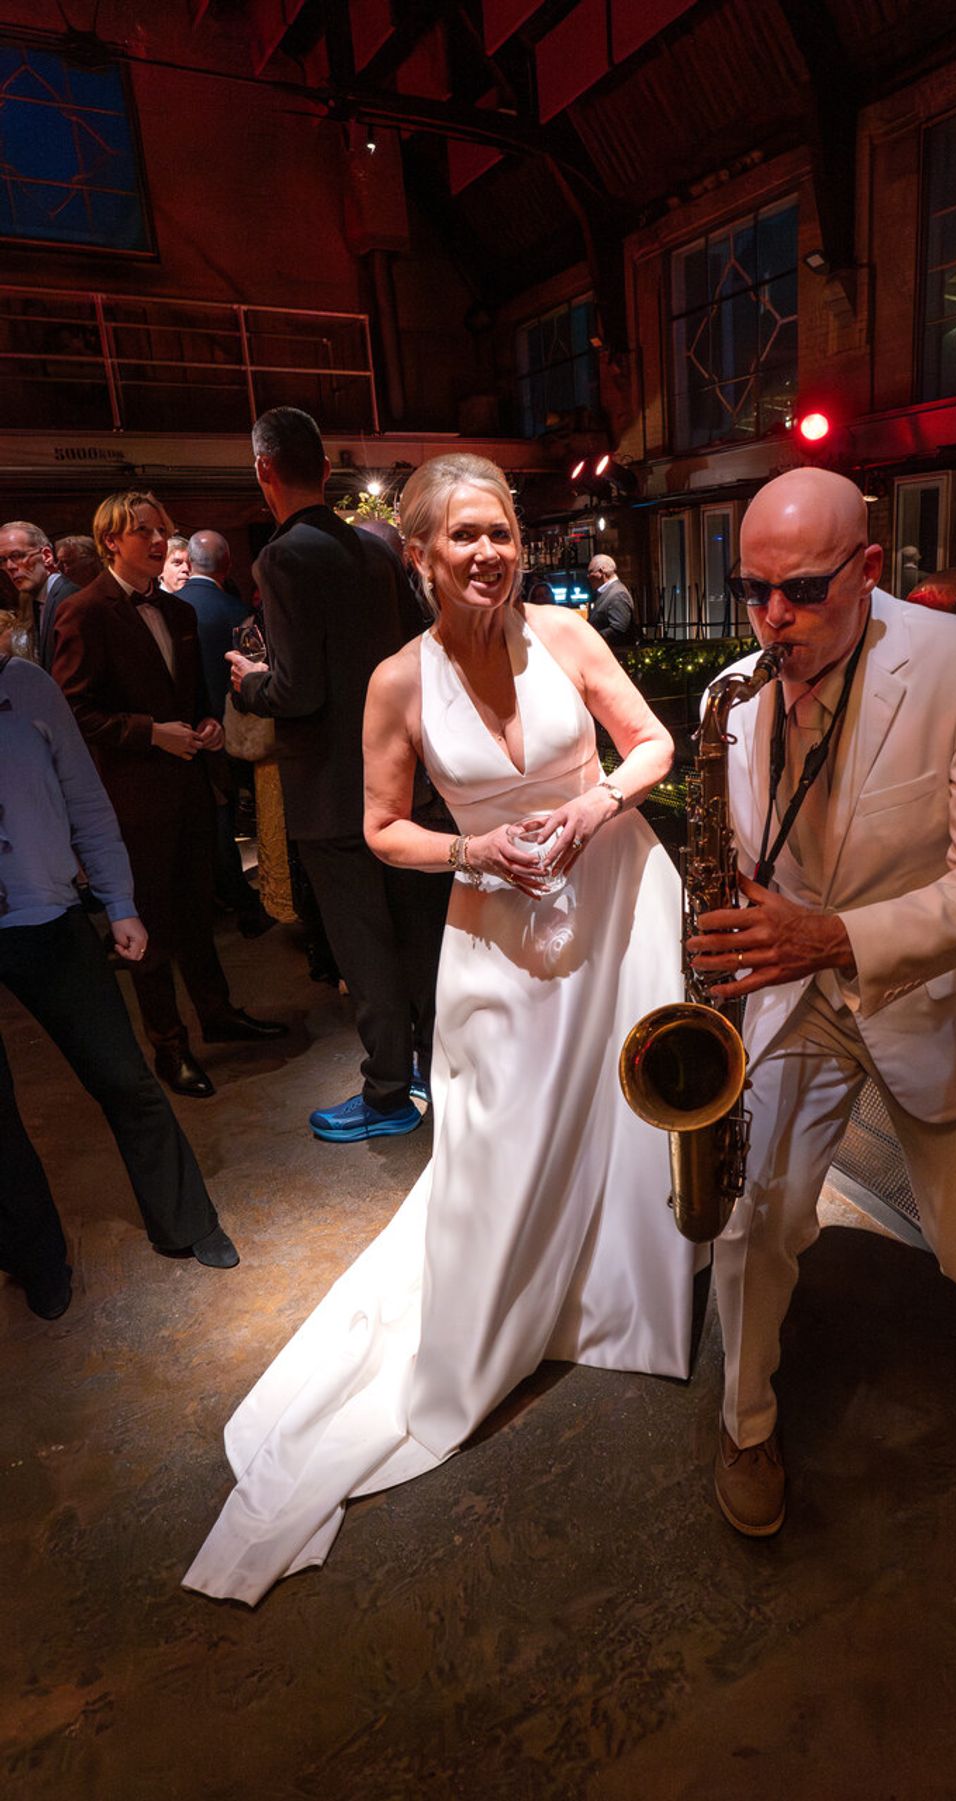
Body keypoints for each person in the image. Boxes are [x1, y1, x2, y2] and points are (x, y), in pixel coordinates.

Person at [184, 452, 696, 1605]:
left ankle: (614, 1298)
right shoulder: (396, 683)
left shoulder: (570, 639)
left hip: (618, 897)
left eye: (501, 532)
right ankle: (500, 1309)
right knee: (503, 1131)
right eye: (462, 536)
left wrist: (598, 801)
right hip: (498, 925)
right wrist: (474, 847)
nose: (487, 554)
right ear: (418, 556)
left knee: (624, 1112)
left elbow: (655, 746)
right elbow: (379, 829)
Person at [686, 467, 956, 1539]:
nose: (773, 617)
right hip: (792, 993)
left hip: (932, 992)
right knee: (754, 1218)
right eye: (751, 588)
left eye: (802, 589)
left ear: (867, 568)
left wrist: (838, 936)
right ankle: (747, 1421)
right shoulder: (736, 689)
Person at [226, 407, 448, 1143]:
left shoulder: (282, 558)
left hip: (331, 793)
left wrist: (248, 681)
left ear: (265, 471)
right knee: (417, 941)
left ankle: (386, 1094)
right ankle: (429, 1069)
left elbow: (299, 691)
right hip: (405, 782)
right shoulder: (377, 553)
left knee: (363, 949)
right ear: (324, 469)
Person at [0, 638, 238, 1321]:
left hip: (47, 915)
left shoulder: (29, 685)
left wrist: (120, 900)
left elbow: (86, 798)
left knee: (122, 1076)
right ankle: (35, 1255)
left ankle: (187, 1220)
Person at [51, 491, 285, 1099]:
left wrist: (206, 723)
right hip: (128, 797)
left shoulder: (178, 612)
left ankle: (218, 1013)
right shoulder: (84, 612)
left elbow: (190, 699)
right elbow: (71, 712)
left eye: (163, 531)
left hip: (186, 787)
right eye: (145, 532)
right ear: (111, 541)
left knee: (196, 910)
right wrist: (150, 733)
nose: (159, 542)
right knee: (147, 925)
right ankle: (170, 1046)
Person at [177, 530, 273, 938]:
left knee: (208, 819)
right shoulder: (236, 612)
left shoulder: (171, 608)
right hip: (235, 727)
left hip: (185, 728)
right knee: (232, 817)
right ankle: (240, 894)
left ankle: (215, 892)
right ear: (227, 563)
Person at [0, 518, 77, 666]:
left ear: (47, 556)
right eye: (2, 560)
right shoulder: (38, 601)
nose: (9, 567)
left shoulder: (69, 600)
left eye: (17, 556)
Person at [585, 553, 638, 646]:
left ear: (601, 572)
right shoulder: (605, 592)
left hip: (615, 653)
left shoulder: (618, 594)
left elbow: (618, 628)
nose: (588, 577)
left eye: (590, 572)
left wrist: (593, 637)